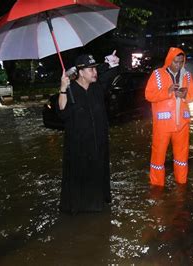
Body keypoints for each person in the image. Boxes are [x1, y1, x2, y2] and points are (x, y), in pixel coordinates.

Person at [55, 51, 120, 214]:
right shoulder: (71, 90)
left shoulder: (96, 88)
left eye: (95, 69)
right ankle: (79, 207)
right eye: (91, 70)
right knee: (80, 174)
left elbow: (110, 72)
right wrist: (63, 89)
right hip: (79, 146)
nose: (95, 72)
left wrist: (111, 62)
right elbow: (62, 112)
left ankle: (100, 203)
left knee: (99, 172)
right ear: (81, 72)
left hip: (99, 143)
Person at [145, 47, 193, 187]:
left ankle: (181, 184)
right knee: (158, 157)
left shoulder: (187, 76)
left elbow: (192, 96)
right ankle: (157, 187)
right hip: (163, 124)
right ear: (169, 60)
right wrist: (167, 92)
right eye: (175, 62)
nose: (178, 65)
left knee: (182, 157)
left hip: (182, 124)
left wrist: (185, 95)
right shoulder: (157, 75)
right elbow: (149, 95)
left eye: (181, 62)